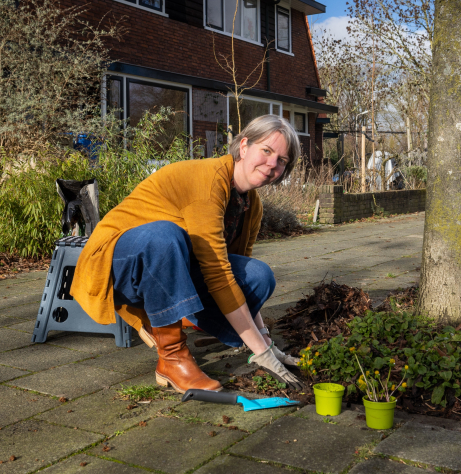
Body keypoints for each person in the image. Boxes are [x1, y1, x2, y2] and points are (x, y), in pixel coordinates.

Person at [70, 115, 304, 393]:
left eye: (282, 160)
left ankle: (179, 313)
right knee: (165, 236)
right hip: (116, 263)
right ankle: (172, 357)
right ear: (244, 147)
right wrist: (261, 353)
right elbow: (217, 274)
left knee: (257, 274)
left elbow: (231, 275)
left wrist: (265, 342)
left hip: (168, 266)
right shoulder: (209, 181)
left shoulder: (251, 205)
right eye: (266, 151)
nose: (272, 164)